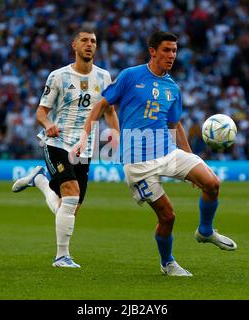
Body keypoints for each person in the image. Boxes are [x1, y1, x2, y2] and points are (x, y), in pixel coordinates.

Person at [72, 31, 237, 277]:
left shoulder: (172, 87)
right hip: (137, 163)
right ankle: (167, 262)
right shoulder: (130, 76)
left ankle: (205, 231)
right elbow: (101, 105)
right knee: (168, 217)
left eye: (174, 51)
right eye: (167, 50)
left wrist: (192, 158)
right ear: (153, 51)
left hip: (168, 151)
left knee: (212, 183)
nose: (171, 55)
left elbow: (175, 125)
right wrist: (85, 135)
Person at [12, 28, 119, 268]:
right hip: (57, 143)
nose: (89, 44)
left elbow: (110, 111)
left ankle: (39, 180)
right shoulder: (58, 76)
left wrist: (116, 136)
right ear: (74, 45)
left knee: (67, 208)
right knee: (70, 194)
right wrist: (48, 125)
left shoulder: (104, 77)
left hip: (84, 148)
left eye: (93, 40)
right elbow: (41, 111)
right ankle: (62, 256)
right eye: (84, 40)